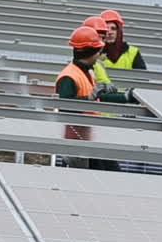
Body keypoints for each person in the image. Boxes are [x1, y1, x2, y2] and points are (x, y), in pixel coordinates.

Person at [55, 26, 136, 171]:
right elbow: (65, 106)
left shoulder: (85, 71)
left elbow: (98, 99)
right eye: (98, 52)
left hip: (91, 138)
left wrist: (125, 97)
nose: (99, 56)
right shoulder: (69, 76)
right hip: (79, 144)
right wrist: (90, 98)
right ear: (90, 53)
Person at [80, 15, 115, 93]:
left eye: (103, 38)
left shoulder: (98, 63)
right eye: (98, 37)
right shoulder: (81, 65)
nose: (101, 43)